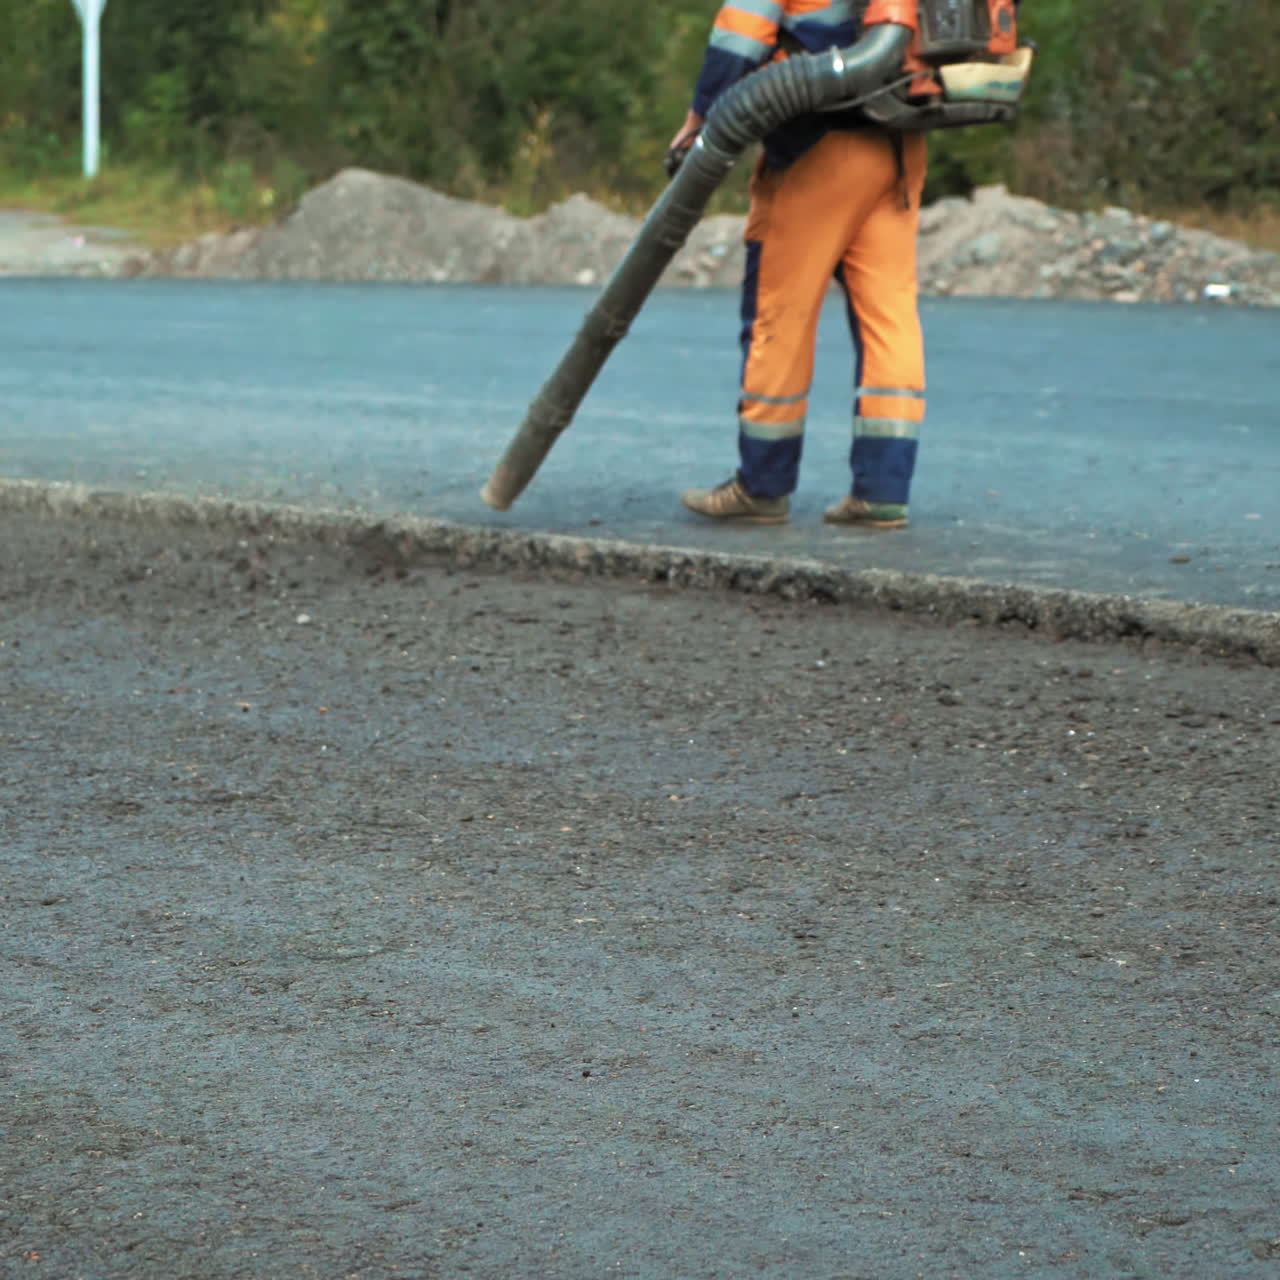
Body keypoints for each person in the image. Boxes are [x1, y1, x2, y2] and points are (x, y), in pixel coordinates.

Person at [675, 0, 928, 529]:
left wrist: (700, 117)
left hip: (819, 148)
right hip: (900, 141)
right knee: (889, 319)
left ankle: (762, 487)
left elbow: (739, 40)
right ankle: (882, 493)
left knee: (780, 316)